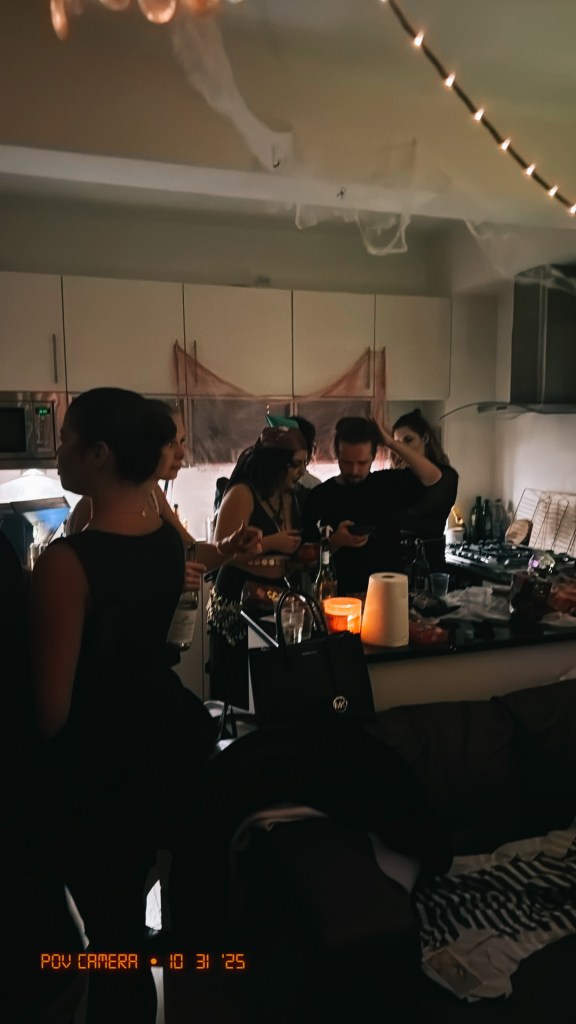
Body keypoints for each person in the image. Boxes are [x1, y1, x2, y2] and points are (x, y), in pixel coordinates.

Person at [28, 388, 241, 1024]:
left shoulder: (66, 565)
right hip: (161, 741)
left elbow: (50, 714)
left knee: (111, 943)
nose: (57, 451)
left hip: (99, 773)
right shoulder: (165, 541)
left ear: (98, 455)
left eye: (66, 440)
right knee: (134, 928)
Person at [66, 398, 261, 592]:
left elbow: (189, 552)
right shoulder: (93, 507)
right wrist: (164, 581)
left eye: (182, 441)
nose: (181, 453)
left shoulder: (153, 495)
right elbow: (91, 588)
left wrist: (227, 548)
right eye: (169, 443)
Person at [207, 424, 308, 710]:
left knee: (273, 689)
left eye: (305, 463)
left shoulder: (290, 496)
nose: (302, 472)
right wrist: (272, 542)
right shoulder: (242, 493)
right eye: (296, 465)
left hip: (276, 599)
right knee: (238, 686)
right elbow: (219, 554)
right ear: (275, 464)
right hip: (237, 599)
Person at [301, 415, 454, 595]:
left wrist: (391, 442)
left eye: (362, 463)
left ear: (373, 457)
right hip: (341, 597)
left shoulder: (386, 484)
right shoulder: (319, 496)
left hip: (389, 594)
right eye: (347, 462)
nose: (355, 470)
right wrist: (335, 542)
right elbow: (304, 558)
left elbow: (433, 477)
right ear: (337, 455)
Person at [391, 408, 459, 571]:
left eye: (408, 440)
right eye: (398, 444)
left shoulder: (446, 476)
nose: (403, 449)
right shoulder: (397, 477)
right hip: (396, 567)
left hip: (429, 567)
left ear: (425, 438)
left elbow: (415, 511)